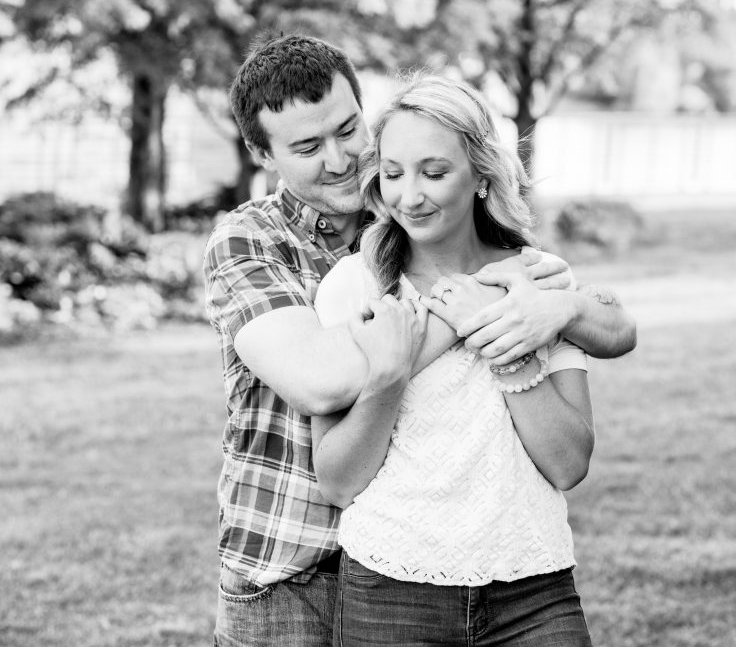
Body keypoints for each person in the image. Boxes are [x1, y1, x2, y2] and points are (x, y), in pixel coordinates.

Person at [203, 33, 636, 647]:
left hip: (469, 567)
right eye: (306, 146)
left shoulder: (426, 228)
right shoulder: (251, 242)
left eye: (349, 130)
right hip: (289, 563)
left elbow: (609, 329)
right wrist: (479, 308)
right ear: (262, 153)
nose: (340, 160)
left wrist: (558, 306)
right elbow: (320, 381)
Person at [311, 74, 600, 646]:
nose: (409, 196)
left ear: (482, 176)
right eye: (392, 174)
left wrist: (503, 345)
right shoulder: (355, 288)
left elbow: (569, 463)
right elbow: (339, 482)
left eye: (434, 173)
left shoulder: (536, 278)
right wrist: (387, 378)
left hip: (533, 589)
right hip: (390, 593)